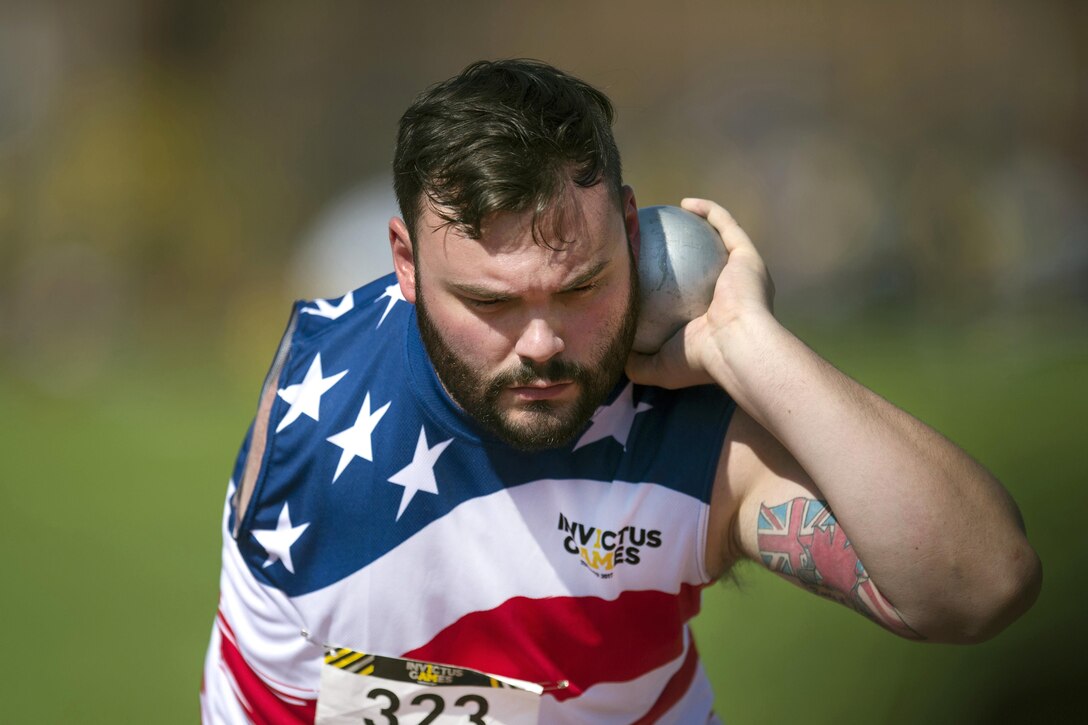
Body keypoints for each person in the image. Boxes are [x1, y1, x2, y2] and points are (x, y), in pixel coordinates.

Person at [201, 59, 1041, 724]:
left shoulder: (687, 407)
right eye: (489, 302)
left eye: (581, 288)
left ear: (633, 236)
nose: (542, 345)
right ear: (407, 263)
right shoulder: (317, 414)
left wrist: (748, 345)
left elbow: (978, 586)